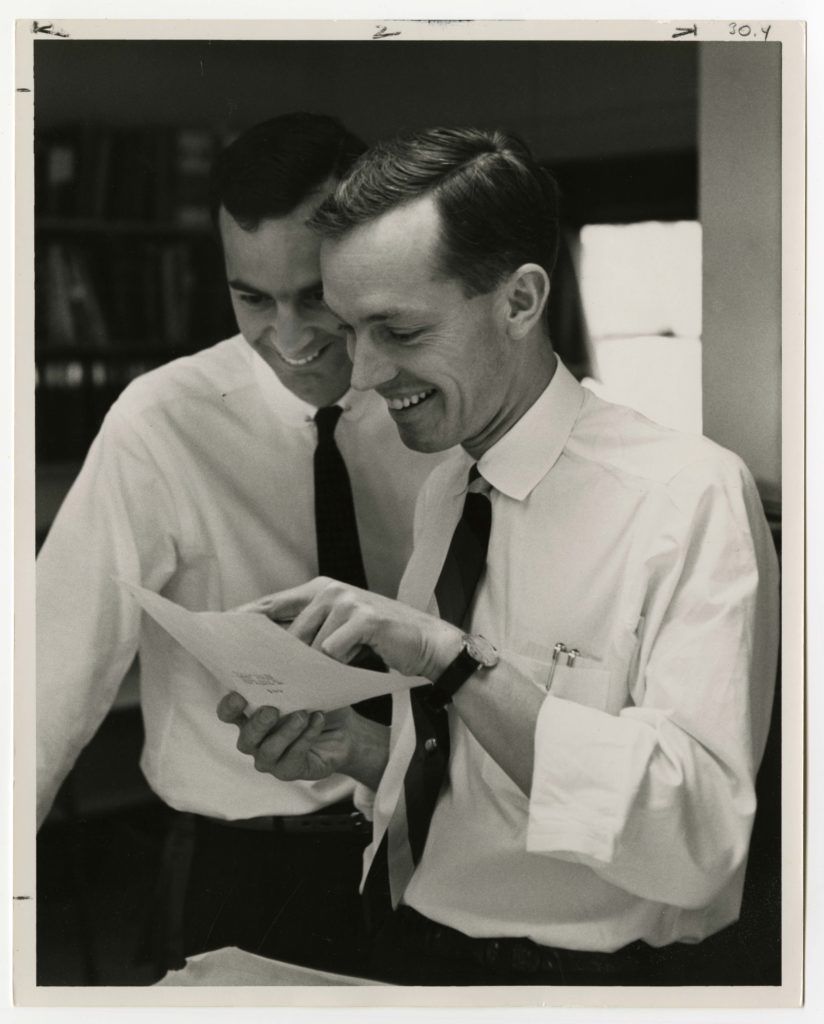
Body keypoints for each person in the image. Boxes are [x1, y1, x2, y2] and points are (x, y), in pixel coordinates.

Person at [219, 126, 781, 985]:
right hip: (410, 952)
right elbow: (476, 783)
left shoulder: (688, 496)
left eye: (397, 331)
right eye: (349, 331)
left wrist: (454, 662)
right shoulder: (449, 489)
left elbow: (695, 836)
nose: (362, 373)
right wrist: (364, 754)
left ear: (519, 302)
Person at [35, 113, 440, 977]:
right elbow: (45, 684)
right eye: (252, 298)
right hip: (241, 867)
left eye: (315, 296)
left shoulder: (435, 409)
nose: (289, 341)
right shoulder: (159, 422)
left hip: (434, 849)